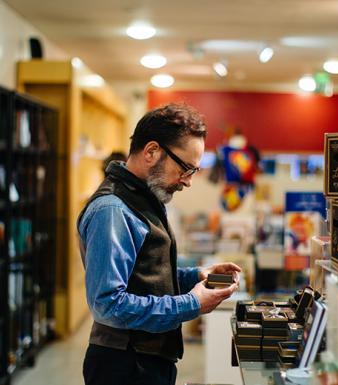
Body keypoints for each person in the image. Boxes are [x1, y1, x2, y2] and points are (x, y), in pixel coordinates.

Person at [77, 103, 241, 385]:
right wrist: (191, 304)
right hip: (125, 366)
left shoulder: (143, 198)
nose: (187, 182)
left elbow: (143, 275)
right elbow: (108, 304)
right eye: (186, 168)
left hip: (147, 361)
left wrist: (197, 275)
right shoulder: (113, 210)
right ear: (152, 152)